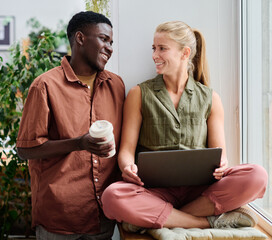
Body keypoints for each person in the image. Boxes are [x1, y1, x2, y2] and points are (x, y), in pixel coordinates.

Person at [101, 21, 268, 232]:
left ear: (184, 53)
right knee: (112, 196)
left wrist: (222, 165)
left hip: (199, 193)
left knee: (257, 175)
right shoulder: (139, 93)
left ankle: (161, 216)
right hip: (154, 191)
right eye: (154, 48)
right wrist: (127, 167)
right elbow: (125, 151)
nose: (154, 55)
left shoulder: (210, 98)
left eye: (162, 48)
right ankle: (204, 222)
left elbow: (220, 155)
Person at [16, 11, 125, 239]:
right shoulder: (44, 86)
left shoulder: (116, 85)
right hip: (60, 216)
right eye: (104, 39)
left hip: (103, 215)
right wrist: (79, 144)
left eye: (111, 42)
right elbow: (25, 149)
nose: (110, 47)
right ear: (80, 38)